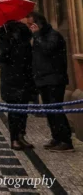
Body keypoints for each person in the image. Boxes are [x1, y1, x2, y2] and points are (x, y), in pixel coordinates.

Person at [26, 12, 74, 151]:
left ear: (38, 24)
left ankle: (65, 140)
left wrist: (37, 35)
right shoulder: (39, 36)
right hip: (43, 78)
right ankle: (56, 137)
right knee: (49, 110)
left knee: (56, 109)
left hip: (54, 78)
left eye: (31, 24)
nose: (30, 27)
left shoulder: (53, 35)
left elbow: (48, 49)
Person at [0, 21, 34, 150]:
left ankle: (21, 136)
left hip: (24, 78)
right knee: (13, 112)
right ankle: (14, 138)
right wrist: (8, 43)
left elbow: (29, 59)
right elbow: (2, 58)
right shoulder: (4, 41)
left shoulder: (24, 43)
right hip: (11, 80)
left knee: (23, 111)